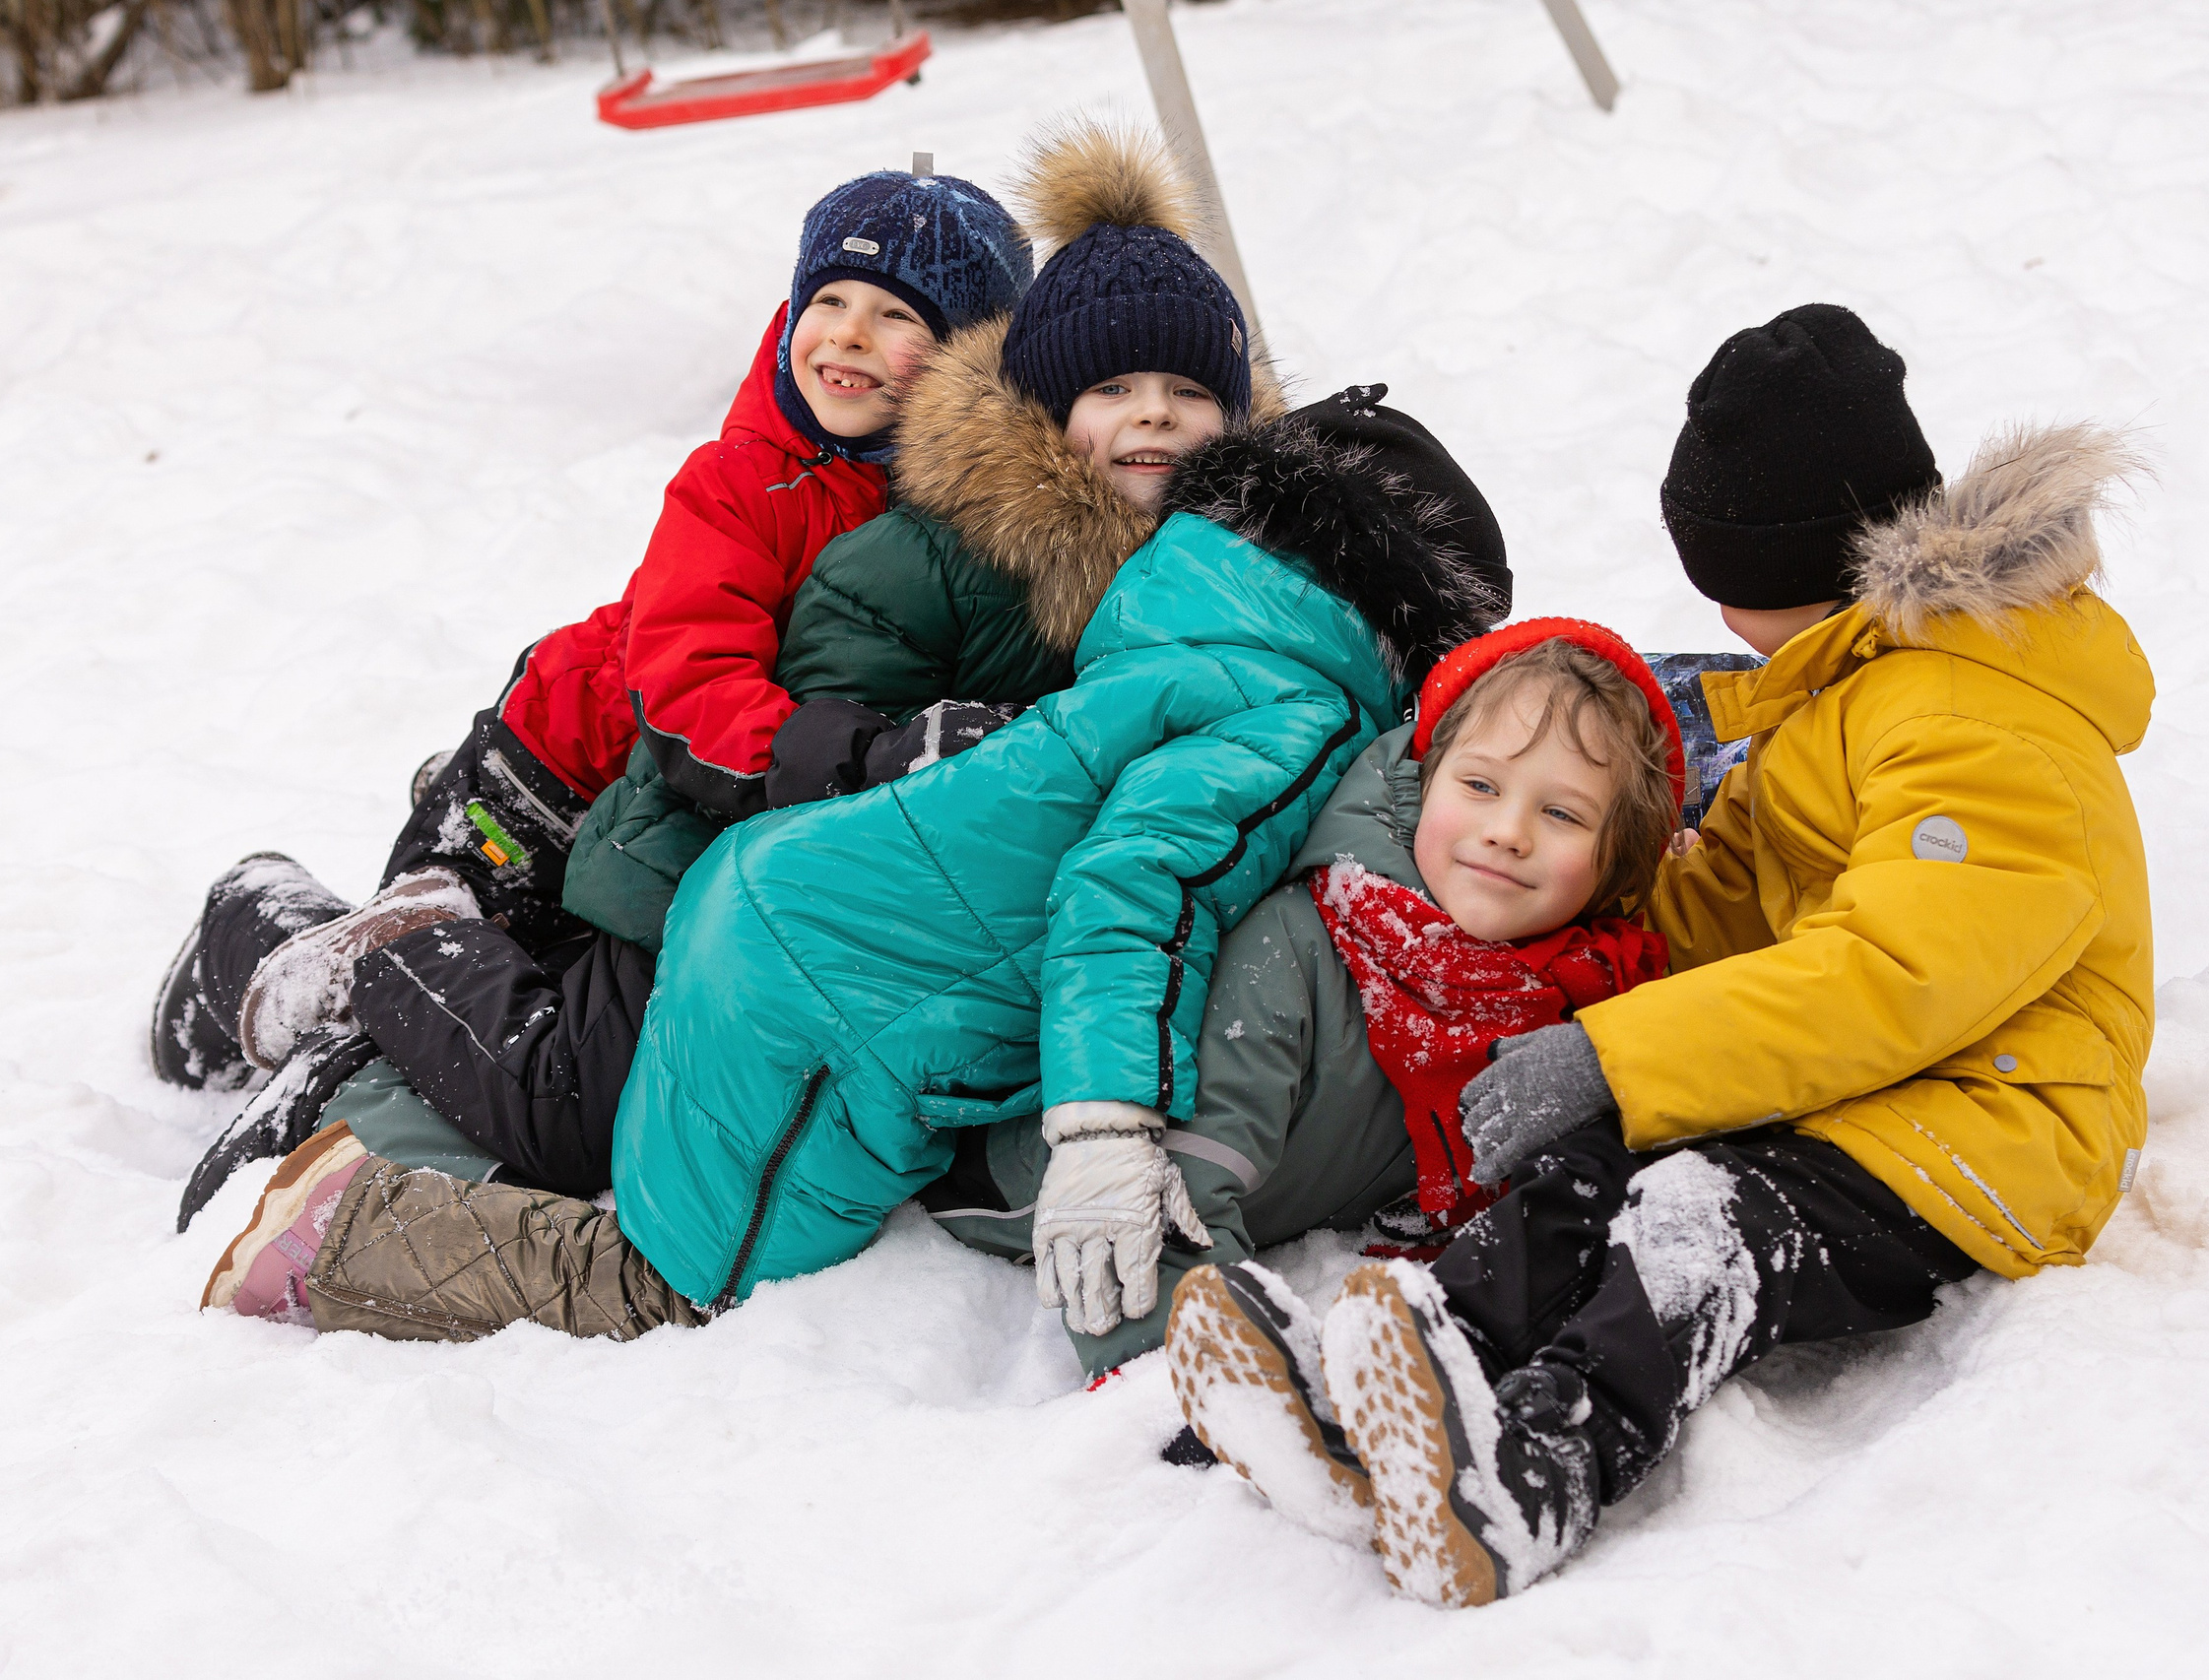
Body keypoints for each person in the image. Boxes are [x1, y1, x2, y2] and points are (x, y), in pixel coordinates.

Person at [196, 272, 1510, 1335]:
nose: (1152, 420)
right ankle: (340, 1207)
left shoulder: (1172, 601)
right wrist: (1107, 1130)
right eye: (1116, 389)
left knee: (602, 1111)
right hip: (701, 873)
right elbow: (1136, 883)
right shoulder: (1243, 678)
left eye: (1190, 396)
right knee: (662, 1254)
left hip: (789, 898)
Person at [1166, 303, 2155, 1606]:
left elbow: (1891, 976)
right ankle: (1389, 1381)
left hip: (1988, 1130)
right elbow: (1722, 910)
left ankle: (1535, 1468)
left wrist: (1610, 1050)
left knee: (1698, 1219)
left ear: (1774, 563)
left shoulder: (1984, 721)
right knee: (1596, 1164)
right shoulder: (1845, 693)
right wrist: (1563, 944)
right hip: (1860, 1096)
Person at [150, 163, 1033, 1229]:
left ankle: (366, 955)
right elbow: (689, 692)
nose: (845, 335)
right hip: (543, 780)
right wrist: (856, 752)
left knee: (497, 1025)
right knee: (447, 1020)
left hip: (644, 810)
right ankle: (261, 922)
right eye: (827, 303)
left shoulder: (933, 505)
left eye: (896, 315)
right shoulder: (742, 481)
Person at [932, 619, 1682, 1382]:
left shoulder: (1581, 997)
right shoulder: (1303, 945)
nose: (1507, 832)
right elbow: (1167, 1190)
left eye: (1562, 814)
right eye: (1480, 785)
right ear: (1421, 780)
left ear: (1617, 857)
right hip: (1053, 1177)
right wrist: (1201, 1388)